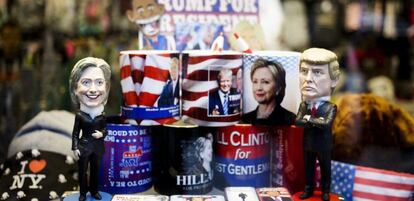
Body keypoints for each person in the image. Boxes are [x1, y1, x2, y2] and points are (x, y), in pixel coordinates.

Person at [295, 48, 340, 201]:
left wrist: (309, 120)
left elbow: (326, 124)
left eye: (317, 72)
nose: (308, 79)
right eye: (304, 71)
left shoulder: (330, 107)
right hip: (308, 144)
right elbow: (298, 122)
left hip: (324, 145)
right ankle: (308, 189)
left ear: (334, 79)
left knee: (326, 168)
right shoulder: (304, 105)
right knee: (308, 168)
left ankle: (325, 191)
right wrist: (315, 121)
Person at [69, 57, 111, 201]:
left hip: (98, 148)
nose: (93, 89)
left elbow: (105, 130)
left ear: (106, 87)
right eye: (86, 82)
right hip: (84, 147)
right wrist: (75, 147)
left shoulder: (102, 116)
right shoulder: (80, 116)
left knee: (95, 171)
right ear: (75, 88)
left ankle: (94, 191)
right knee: (82, 172)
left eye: (99, 83)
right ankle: (82, 193)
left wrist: (102, 134)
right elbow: (75, 133)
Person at [242, 58, 296, 125]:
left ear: (278, 88)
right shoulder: (245, 119)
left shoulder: (290, 119)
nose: (259, 88)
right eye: (255, 82)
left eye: (265, 82)